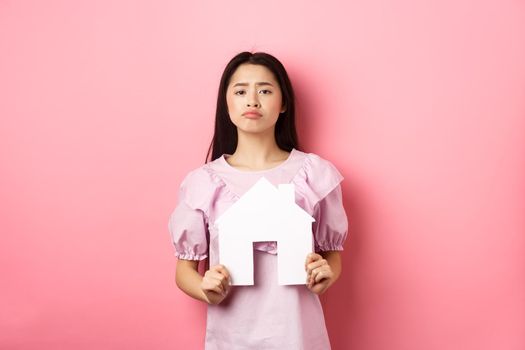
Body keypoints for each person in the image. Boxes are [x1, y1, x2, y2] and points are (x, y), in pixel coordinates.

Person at [168, 51, 348, 350]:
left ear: (284, 103)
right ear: (227, 103)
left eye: (265, 90)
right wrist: (205, 288)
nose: (252, 100)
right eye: (240, 91)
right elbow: (184, 271)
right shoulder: (202, 183)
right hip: (232, 337)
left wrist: (326, 275)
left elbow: (333, 258)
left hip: (299, 335)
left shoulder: (315, 174)